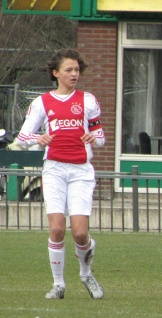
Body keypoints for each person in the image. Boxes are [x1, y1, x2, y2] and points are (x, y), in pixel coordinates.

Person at [15, 49, 105, 300]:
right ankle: (58, 285)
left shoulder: (88, 100)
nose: (74, 74)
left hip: (81, 171)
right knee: (56, 229)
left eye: (77, 70)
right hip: (54, 169)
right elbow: (22, 137)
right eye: (69, 70)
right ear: (56, 74)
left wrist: (93, 138)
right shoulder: (42, 102)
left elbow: (101, 137)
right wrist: (39, 138)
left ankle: (86, 274)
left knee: (79, 233)